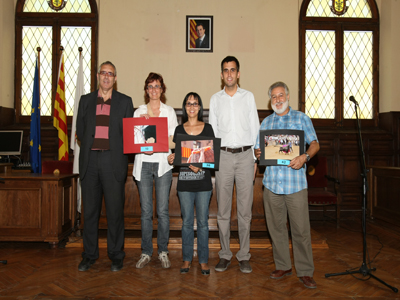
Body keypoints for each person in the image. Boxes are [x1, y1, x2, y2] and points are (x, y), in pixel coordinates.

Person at [254, 81, 320, 289]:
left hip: (295, 184)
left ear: (288, 96)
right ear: (270, 100)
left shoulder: (301, 118)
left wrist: (304, 157)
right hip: (272, 185)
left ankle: (305, 271)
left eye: (280, 95)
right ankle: (283, 265)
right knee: (276, 229)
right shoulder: (266, 123)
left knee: (301, 230)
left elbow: (315, 143)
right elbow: (258, 150)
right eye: (273, 97)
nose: (277, 100)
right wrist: (258, 153)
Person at [76, 61, 134, 272]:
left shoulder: (125, 102)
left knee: (115, 213)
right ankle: (89, 255)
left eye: (111, 74)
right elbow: (81, 132)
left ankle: (116, 255)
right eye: (103, 73)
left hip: (113, 162)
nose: (107, 77)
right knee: (89, 212)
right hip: (90, 162)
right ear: (98, 76)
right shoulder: (85, 101)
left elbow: (130, 134)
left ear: (115, 79)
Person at [209, 56, 260, 273]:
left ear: (238, 73)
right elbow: (212, 131)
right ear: (221, 75)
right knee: (223, 210)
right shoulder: (215, 99)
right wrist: (213, 161)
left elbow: (255, 128)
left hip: (246, 156)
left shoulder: (248, 97)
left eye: (233, 70)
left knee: (245, 211)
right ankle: (225, 254)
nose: (229, 74)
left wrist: (256, 159)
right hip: (223, 157)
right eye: (225, 70)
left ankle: (244, 255)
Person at [133, 72, 178, 269]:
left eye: (157, 86)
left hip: (163, 164)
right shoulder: (138, 112)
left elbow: (173, 140)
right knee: (145, 211)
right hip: (143, 164)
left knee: (162, 211)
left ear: (162, 89)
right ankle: (145, 252)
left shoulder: (169, 112)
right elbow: (136, 141)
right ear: (146, 90)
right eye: (150, 86)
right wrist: (142, 124)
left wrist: (153, 129)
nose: (154, 90)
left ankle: (162, 251)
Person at [167, 92, 214, 275]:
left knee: (202, 223)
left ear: (199, 107)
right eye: (188, 103)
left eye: (195, 103)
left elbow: (211, 157)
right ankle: (187, 259)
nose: (192, 106)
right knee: (187, 223)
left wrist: (200, 166)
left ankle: (203, 260)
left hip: (203, 183)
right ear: (185, 107)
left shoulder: (208, 128)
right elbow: (177, 156)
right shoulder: (179, 130)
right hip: (184, 183)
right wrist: (172, 158)